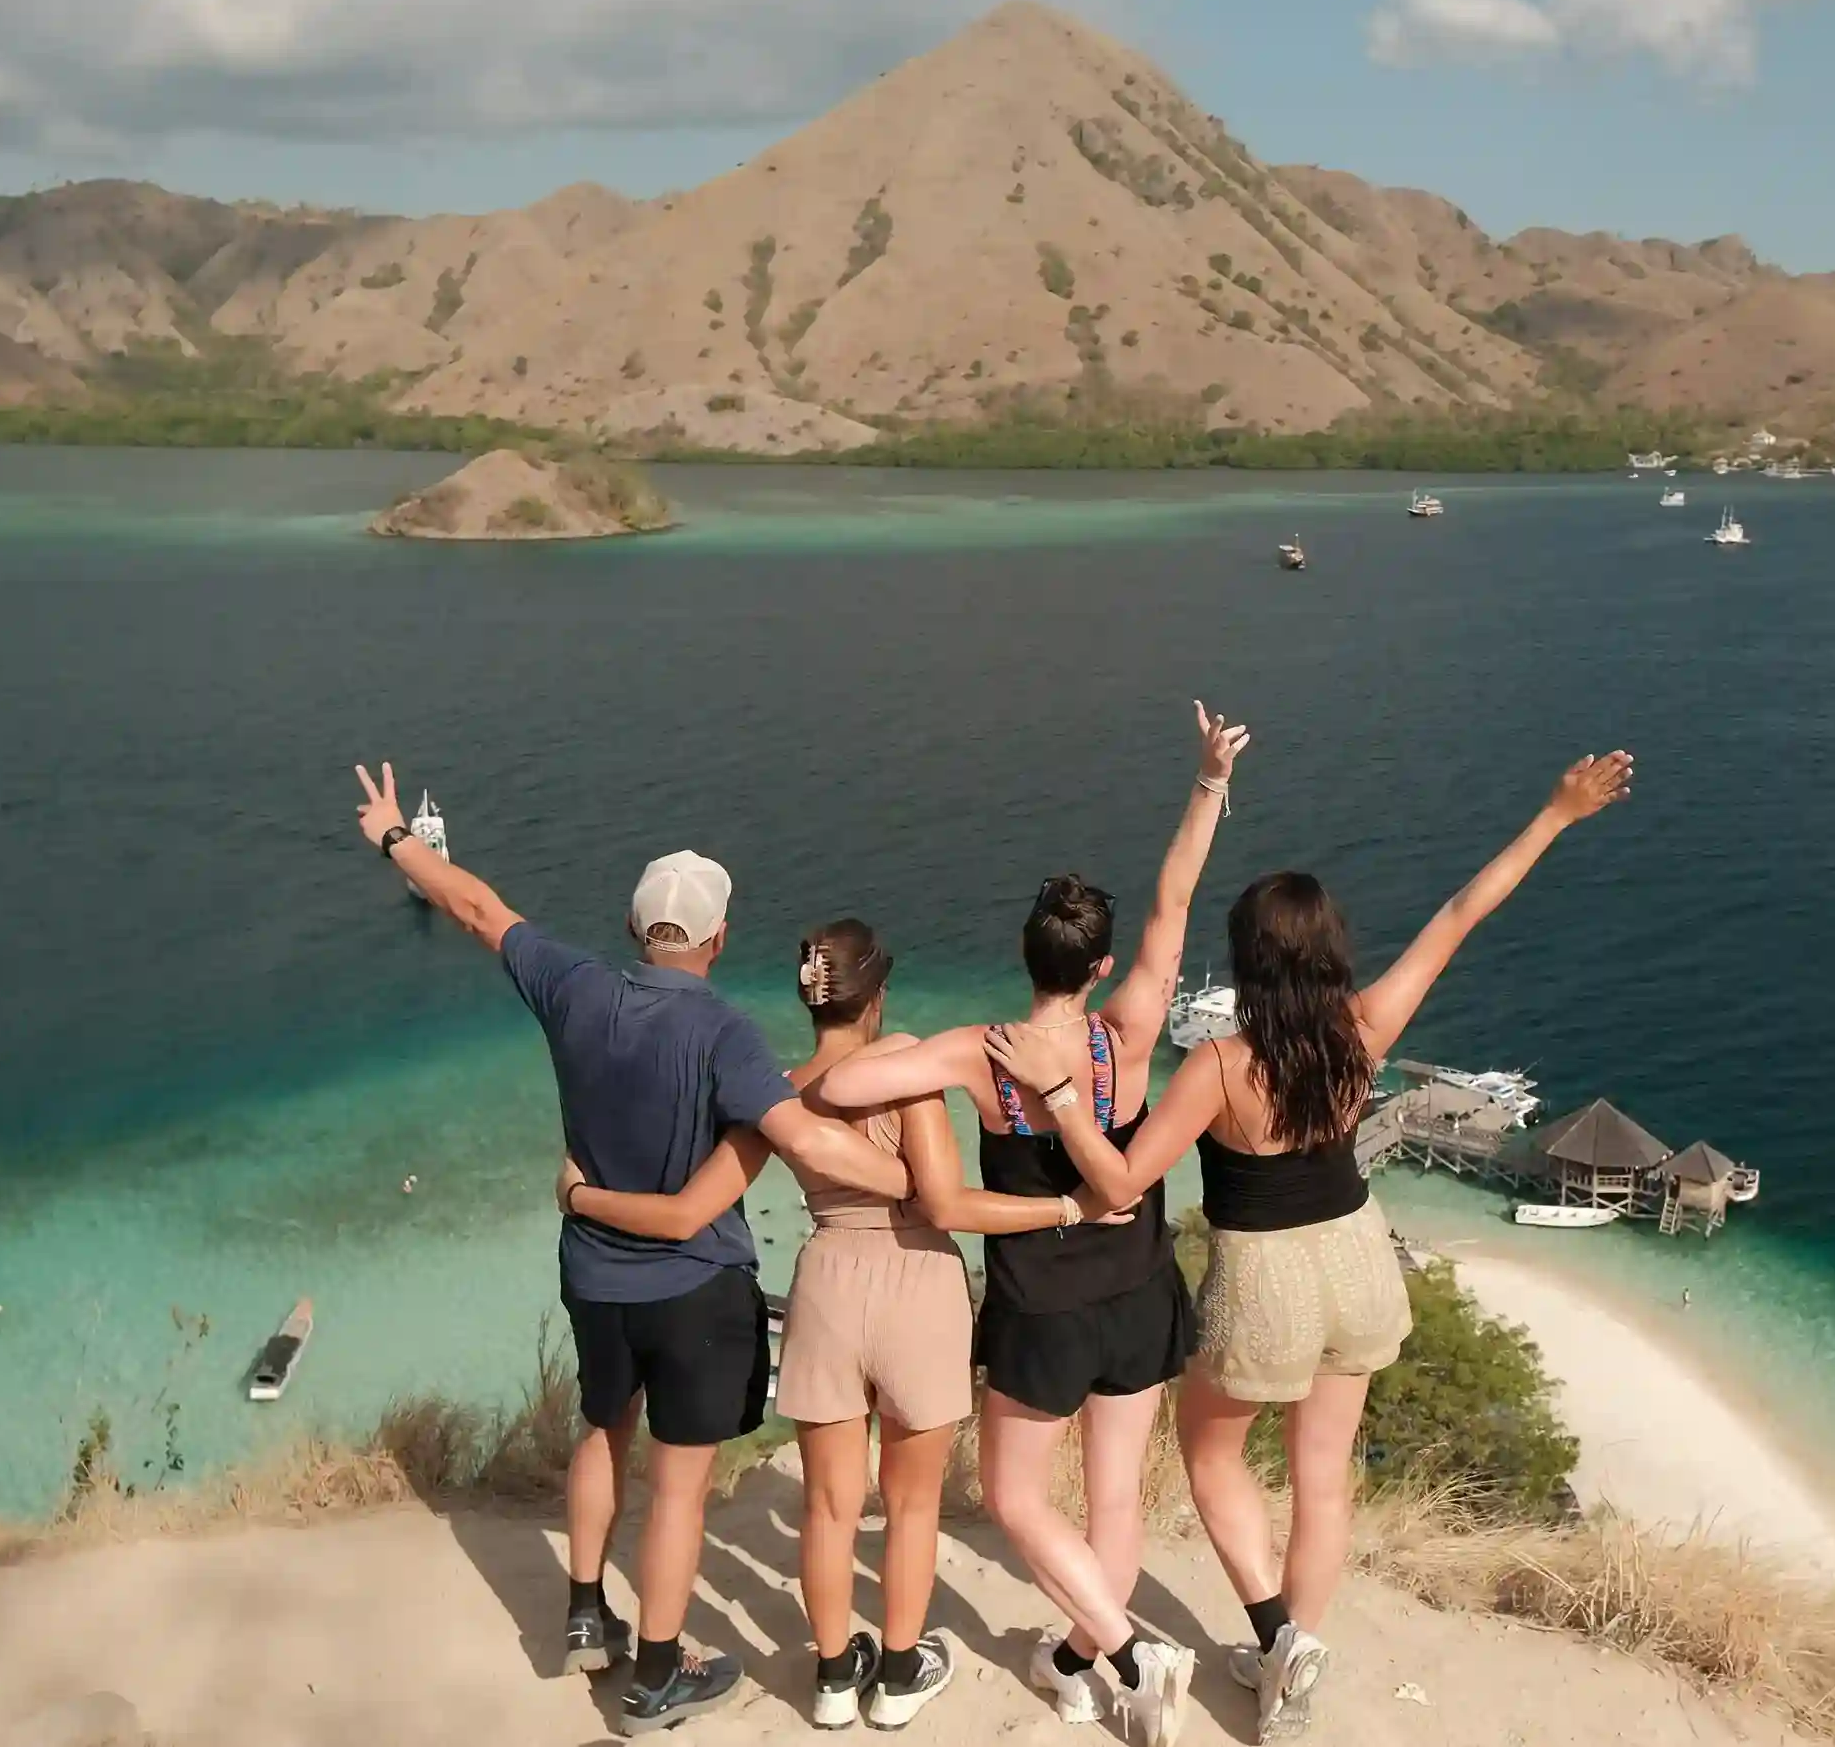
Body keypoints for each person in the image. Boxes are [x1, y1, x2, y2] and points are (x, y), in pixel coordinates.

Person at [994, 749, 1634, 1742]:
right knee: (1322, 1476)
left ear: (1246, 962)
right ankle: (1287, 1673)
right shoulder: (1365, 1027)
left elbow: (1118, 1185)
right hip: (1359, 1257)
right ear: (1331, 951)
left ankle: (1275, 1634)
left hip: (1264, 1275)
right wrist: (1556, 813)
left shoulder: (1218, 1065)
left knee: (1213, 1458)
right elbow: (1460, 914)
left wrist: (1064, 1099)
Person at [349, 764, 913, 1736]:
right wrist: (908, 1181)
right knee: (679, 1486)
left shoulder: (572, 987)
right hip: (693, 1291)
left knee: (602, 1428)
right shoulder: (727, 1036)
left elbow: (477, 908)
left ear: (632, 926)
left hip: (594, 1273)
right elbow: (809, 1142)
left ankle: (583, 1610)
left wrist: (397, 836)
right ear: (718, 938)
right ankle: (656, 1673)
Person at [556, 920, 1124, 1733]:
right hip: (918, 1286)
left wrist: (584, 1196)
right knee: (911, 1505)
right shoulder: (905, 1071)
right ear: (877, 993)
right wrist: (1071, 1207)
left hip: (825, 1285)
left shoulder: (776, 1090)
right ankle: (897, 1673)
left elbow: (695, 1205)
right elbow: (941, 1201)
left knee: (828, 1504)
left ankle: (830, 1676)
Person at [817, 703, 1250, 1747]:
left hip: (1041, 1304)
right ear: (1098, 968)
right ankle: (1079, 1664)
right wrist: (1209, 781)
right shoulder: (1128, 1032)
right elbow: (1176, 900)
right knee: (1114, 1496)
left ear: (1027, 958)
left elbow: (840, 1087)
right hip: (1138, 1289)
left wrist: (911, 1049)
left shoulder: (981, 1054)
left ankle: (1124, 1652)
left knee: (1015, 1496)